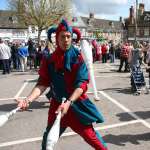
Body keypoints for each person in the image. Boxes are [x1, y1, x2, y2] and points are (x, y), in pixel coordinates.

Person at [16, 19, 107, 150]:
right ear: (57, 38)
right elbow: (42, 83)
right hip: (57, 107)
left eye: (68, 36)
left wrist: (69, 102)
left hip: (76, 108)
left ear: (72, 38)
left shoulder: (78, 58)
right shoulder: (49, 60)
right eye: (62, 36)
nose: (66, 40)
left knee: (94, 141)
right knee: (47, 142)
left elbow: (81, 84)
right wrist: (28, 100)